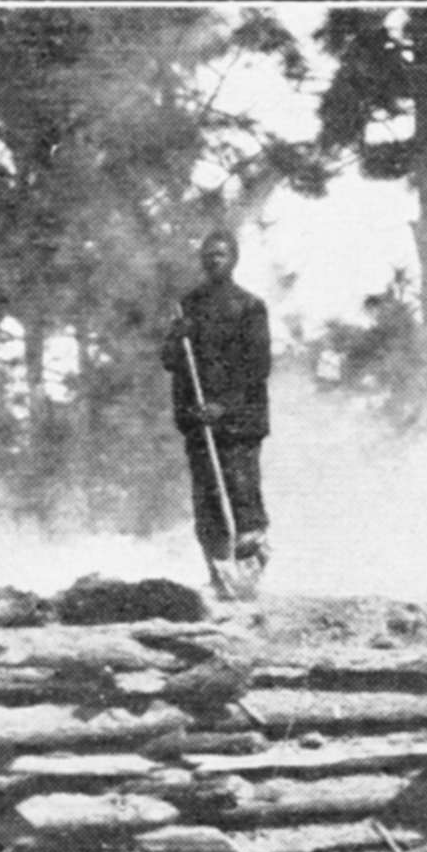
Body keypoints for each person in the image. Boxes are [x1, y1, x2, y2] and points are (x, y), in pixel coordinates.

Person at [162, 229, 271, 597]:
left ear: (234, 259)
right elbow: (171, 362)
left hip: (239, 423)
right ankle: (218, 575)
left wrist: (223, 407)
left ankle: (249, 575)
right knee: (207, 501)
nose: (213, 260)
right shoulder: (188, 306)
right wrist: (176, 338)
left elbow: (257, 367)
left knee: (242, 493)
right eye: (208, 254)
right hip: (198, 421)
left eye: (221, 254)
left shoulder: (249, 307)